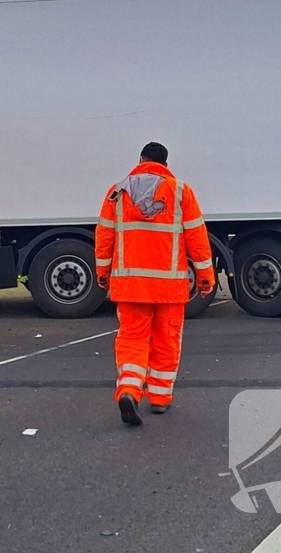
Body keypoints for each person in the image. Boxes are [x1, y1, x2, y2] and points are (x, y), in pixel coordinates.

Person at [94, 142, 216, 426]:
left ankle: (129, 390)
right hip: (169, 288)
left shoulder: (117, 192)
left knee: (133, 340)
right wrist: (206, 276)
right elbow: (196, 237)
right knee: (166, 341)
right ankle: (160, 398)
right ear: (166, 165)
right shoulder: (181, 192)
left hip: (131, 286)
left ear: (140, 160)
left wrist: (103, 273)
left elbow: (105, 237)